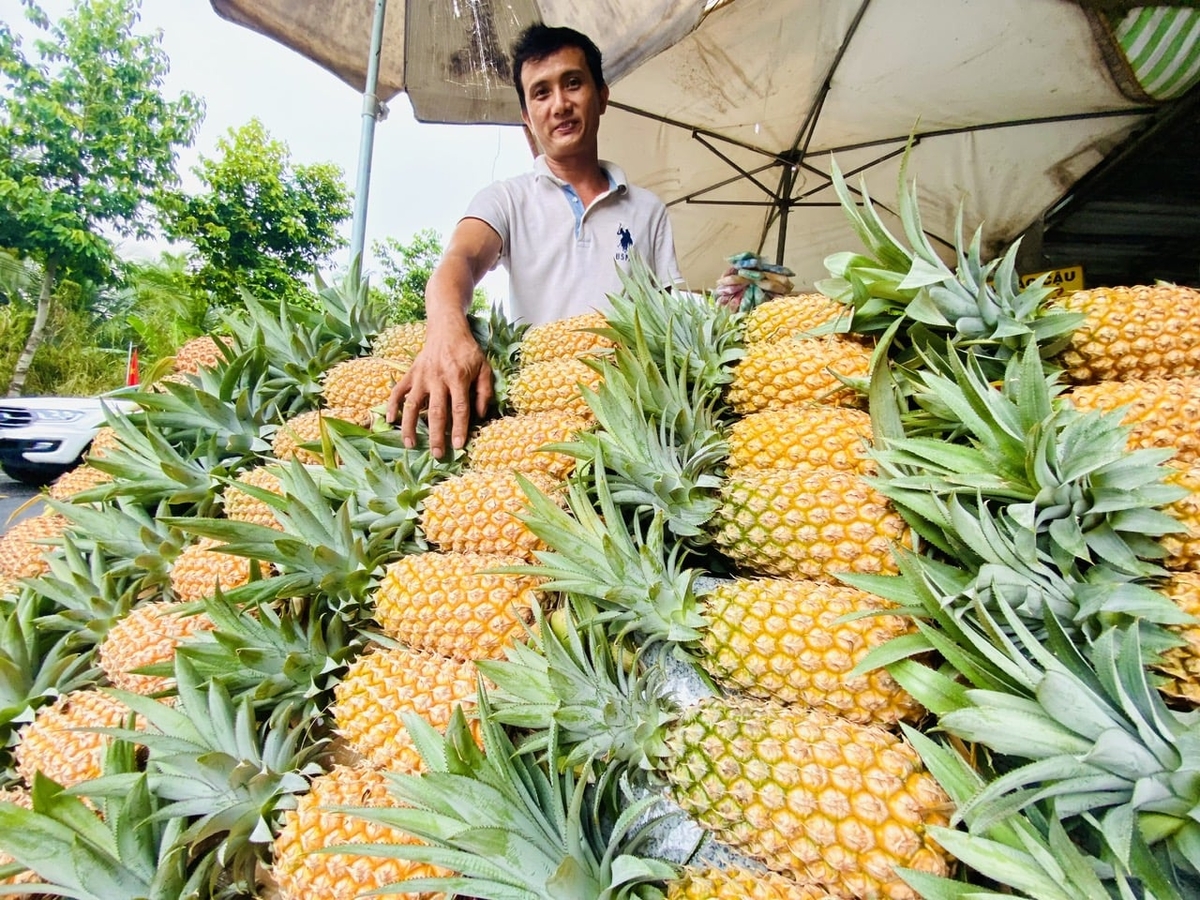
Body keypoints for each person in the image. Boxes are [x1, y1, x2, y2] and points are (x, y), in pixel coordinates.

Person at [385, 22, 681, 457]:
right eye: (541, 93)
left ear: (602, 95)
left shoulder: (648, 210)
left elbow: (672, 317)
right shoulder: (507, 198)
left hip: (632, 428)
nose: (559, 104)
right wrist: (447, 328)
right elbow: (462, 259)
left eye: (573, 84)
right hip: (537, 426)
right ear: (526, 116)